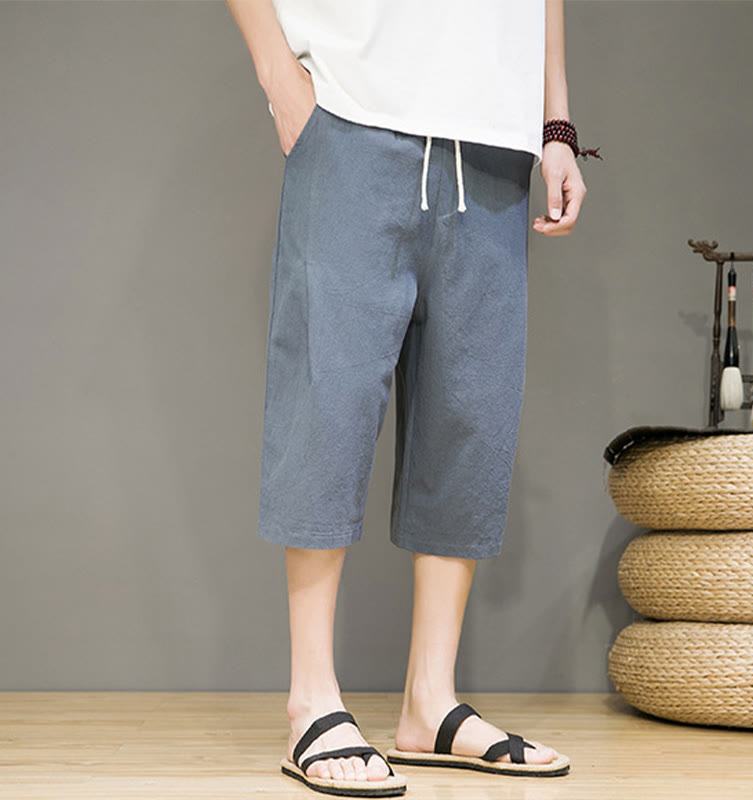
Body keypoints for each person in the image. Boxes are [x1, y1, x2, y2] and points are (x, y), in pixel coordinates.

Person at [225, 0, 589, 795]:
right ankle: (311, 697)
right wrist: (278, 76)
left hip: (494, 138)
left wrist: (554, 124)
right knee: (329, 403)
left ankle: (431, 700)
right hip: (352, 114)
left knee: (472, 411)